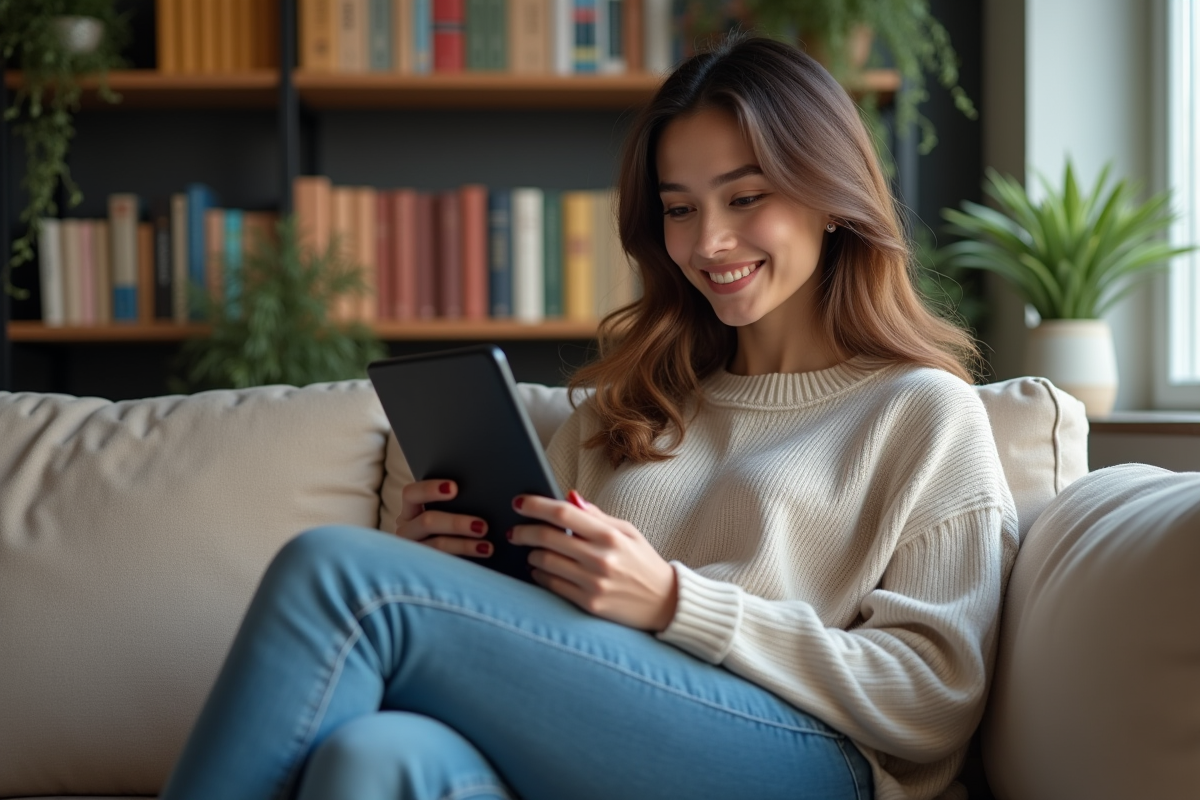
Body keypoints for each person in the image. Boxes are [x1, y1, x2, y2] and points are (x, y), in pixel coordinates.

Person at [160, 34, 1017, 800]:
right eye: (680, 209)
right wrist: (451, 567)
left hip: (805, 758)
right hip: (613, 733)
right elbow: (547, 635)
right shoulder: (629, 409)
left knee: (342, 574)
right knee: (377, 759)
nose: (708, 242)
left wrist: (677, 602)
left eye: (745, 197)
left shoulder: (921, 409)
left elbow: (931, 697)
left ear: (831, 197)